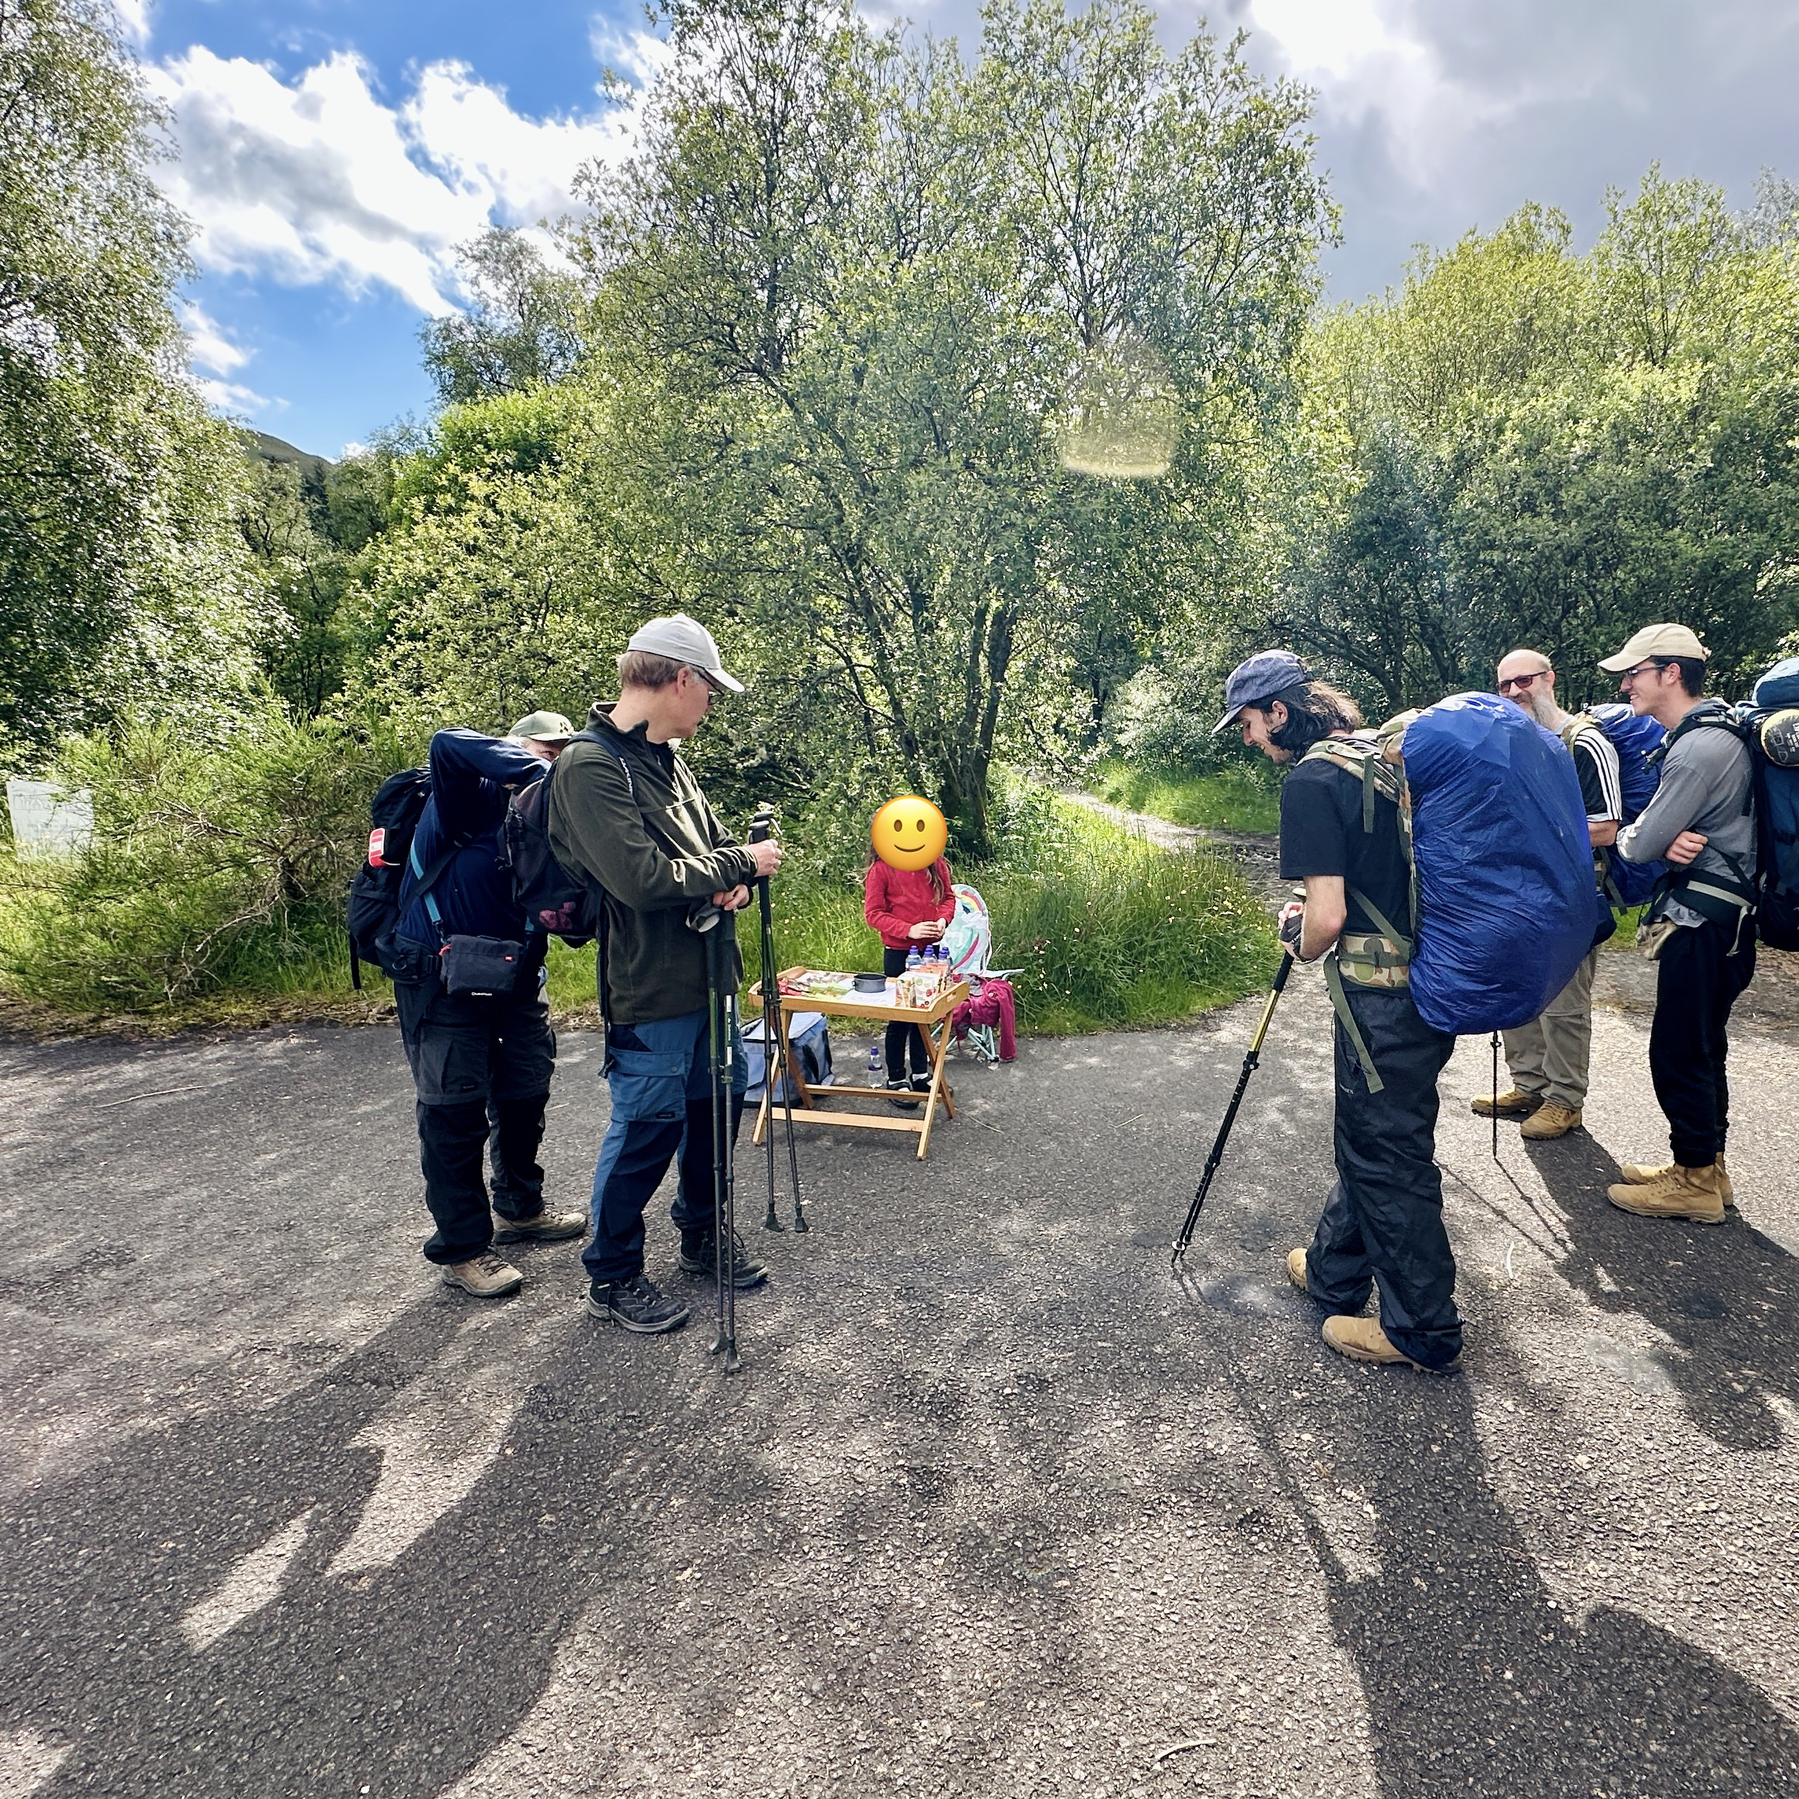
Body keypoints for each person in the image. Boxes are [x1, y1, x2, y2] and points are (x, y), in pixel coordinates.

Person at [1215, 650, 1462, 1374]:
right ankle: (1332, 1272)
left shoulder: (1312, 779)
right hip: (1432, 982)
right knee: (1371, 1138)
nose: (1247, 736)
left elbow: (1324, 918)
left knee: (1386, 1156)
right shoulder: (1380, 758)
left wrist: (1297, 934)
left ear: (1279, 713)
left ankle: (1423, 1331)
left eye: (1249, 722)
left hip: (1377, 1002)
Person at [547, 614, 784, 1334]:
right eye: (709, 687)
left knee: (715, 1109)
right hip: (649, 984)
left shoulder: (666, 755)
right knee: (648, 1125)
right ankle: (611, 1274)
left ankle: (702, 1234)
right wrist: (742, 865)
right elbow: (642, 879)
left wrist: (728, 879)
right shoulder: (587, 766)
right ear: (679, 679)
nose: (711, 702)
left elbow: (706, 847)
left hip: (709, 972)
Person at [391, 713, 589, 1299]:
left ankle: (521, 1209)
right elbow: (447, 744)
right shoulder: (463, 796)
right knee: (454, 1112)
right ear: (511, 749)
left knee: (526, 1093)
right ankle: (463, 1249)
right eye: (543, 750)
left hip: (517, 980)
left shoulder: (552, 822)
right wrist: (535, 773)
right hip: (439, 979)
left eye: (561, 753)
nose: (552, 761)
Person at [1598, 624, 1756, 1224]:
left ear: (1671, 673)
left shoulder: (1696, 748)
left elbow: (1639, 843)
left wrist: (1650, 838)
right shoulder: (1721, 733)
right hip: (1728, 919)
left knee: (1678, 1050)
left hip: (1702, 920)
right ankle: (1708, 1169)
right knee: (1704, 1045)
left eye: (1634, 672)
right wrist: (1665, 840)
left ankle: (1692, 1181)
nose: (1624, 683)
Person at [1472, 650, 1624, 1140]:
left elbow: (1605, 827)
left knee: (1563, 1003)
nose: (1515, 691)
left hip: (1570, 895)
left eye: (1524, 680)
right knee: (1516, 989)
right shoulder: (1511, 747)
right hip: (1517, 891)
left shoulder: (1585, 743)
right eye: (1504, 685)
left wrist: (1530, 828)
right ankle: (1529, 1084)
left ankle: (1564, 1099)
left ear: (1549, 679)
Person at [864, 844, 956, 1106]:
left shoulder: (934, 862)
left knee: (925, 1014)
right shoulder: (881, 869)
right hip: (898, 952)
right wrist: (908, 930)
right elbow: (873, 914)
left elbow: (948, 898)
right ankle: (895, 1080)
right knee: (900, 1016)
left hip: (931, 952)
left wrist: (942, 921)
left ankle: (920, 1074)